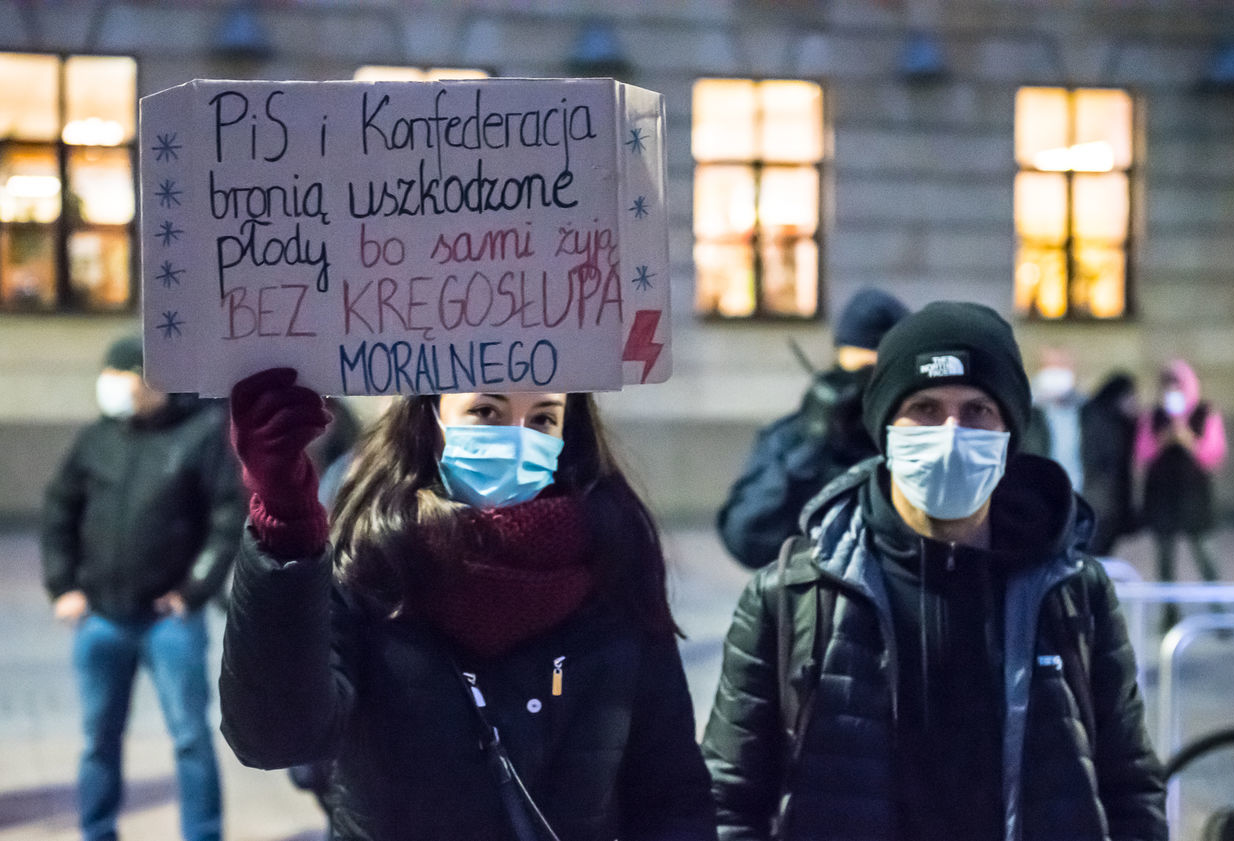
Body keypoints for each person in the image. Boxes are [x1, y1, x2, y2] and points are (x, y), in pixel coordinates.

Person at [701, 302, 1166, 841]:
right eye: (924, 407)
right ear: (885, 427)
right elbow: (725, 799)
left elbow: (1129, 786)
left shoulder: (1072, 592)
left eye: (977, 411)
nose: (950, 433)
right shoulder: (792, 597)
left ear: (1009, 431)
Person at [219, 368, 716, 841]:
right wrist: (284, 529)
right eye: (485, 411)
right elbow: (276, 737)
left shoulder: (613, 568)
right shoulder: (368, 567)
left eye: (544, 418)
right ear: (429, 421)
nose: (518, 436)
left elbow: (669, 796)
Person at [40, 335, 243, 841]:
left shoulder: (199, 434)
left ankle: (203, 833)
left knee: (191, 738)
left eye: (120, 373)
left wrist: (193, 591)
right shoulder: (96, 439)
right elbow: (58, 512)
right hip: (100, 620)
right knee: (98, 740)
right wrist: (63, 586)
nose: (110, 385)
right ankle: (98, 830)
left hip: (169, 623)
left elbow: (225, 519)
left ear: (151, 380)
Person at [717, 287, 908, 568]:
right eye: (858, 373)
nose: (865, 392)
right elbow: (746, 539)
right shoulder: (793, 439)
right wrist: (813, 448)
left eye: (880, 376)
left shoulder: (912, 440)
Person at [1136, 359, 1227, 627]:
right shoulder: (1153, 416)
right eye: (1168, 384)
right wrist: (1164, 437)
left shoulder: (1205, 413)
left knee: (1205, 554)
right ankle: (1169, 616)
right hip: (1163, 495)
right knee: (1165, 561)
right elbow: (1142, 453)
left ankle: (1220, 610)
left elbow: (1214, 455)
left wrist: (1187, 437)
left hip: (1194, 495)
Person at [1080, 371, 1140, 556]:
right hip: (1099, 492)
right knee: (1096, 543)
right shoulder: (1097, 414)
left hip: (1114, 493)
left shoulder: (1123, 420)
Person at [1025, 346, 1086, 492]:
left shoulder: (1087, 410)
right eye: (1050, 366)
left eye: (1062, 365)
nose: (1056, 372)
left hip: (1079, 495)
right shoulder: (1025, 412)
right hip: (1038, 496)